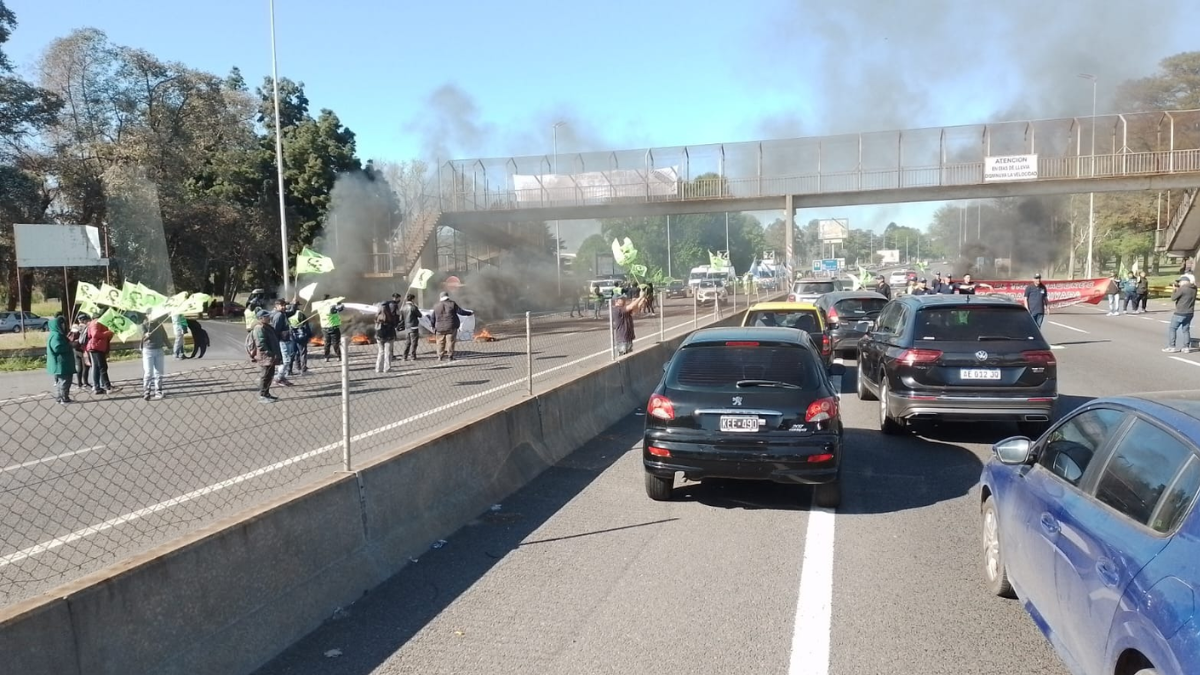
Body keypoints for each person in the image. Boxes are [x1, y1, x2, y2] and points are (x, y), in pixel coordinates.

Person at [251, 309, 283, 402]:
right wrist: (270, 352)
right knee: (265, 375)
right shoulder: (259, 328)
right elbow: (261, 343)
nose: (269, 318)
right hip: (265, 356)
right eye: (267, 316)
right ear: (261, 318)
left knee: (270, 375)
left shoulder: (267, 326)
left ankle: (267, 394)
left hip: (270, 355)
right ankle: (263, 395)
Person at [432, 292, 473, 361]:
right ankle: (450, 356)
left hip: (439, 328)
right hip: (451, 326)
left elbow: (432, 317)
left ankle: (440, 356)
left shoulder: (436, 306)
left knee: (440, 342)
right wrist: (469, 313)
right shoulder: (452, 304)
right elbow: (460, 312)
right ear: (447, 296)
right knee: (450, 342)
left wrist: (433, 327)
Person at [46, 315, 76, 405]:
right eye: (61, 324)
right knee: (65, 381)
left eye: (63, 323)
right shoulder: (56, 335)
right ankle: (64, 398)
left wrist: (67, 340)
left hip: (61, 363)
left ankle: (60, 398)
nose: (63, 325)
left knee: (61, 382)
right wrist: (70, 345)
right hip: (61, 363)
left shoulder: (56, 334)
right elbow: (57, 348)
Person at [1165, 276, 1196, 353]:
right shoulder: (1194, 289)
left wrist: (1174, 290)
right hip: (1190, 312)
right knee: (1186, 330)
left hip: (1180, 312)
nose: (1179, 283)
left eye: (1180, 282)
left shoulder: (1182, 289)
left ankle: (1171, 346)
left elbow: (1173, 298)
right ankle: (1186, 347)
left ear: (1184, 282)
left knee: (1172, 328)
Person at [141, 315, 168, 400]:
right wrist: (146, 335)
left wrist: (169, 345)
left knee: (159, 372)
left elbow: (164, 335)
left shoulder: (159, 324)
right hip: (148, 350)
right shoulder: (144, 324)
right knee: (148, 372)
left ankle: (158, 391)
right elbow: (142, 338)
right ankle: (146, 391)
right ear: (147, 315)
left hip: (159, 350)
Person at [269, 299, 296, 386]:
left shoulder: (283, 313)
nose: (284, 307)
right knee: (286, 361)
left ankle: (282, 377)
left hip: (285, 339)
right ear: (277, 306)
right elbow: (276, 330)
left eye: (284, 305)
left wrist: (294, 304)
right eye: (282, 305)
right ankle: (278, 378)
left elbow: (291, 312)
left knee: (285, 360)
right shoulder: (279, 315)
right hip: (282, 341)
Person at [85, 315, 114, 394]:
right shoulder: (96, 322)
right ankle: (107, 386)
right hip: (96, 347)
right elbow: (95, 334)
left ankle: (98, 387)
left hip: (98, 346)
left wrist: (109, 333)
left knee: (98, 367)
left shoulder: (99, 323)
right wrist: (108, 333)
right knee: (102, 367)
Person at [287, 303, 312, 374]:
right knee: (303, 352)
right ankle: (303, 368)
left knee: (293, 353)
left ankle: (290, 369)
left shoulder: (286, 314)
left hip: (291, 335)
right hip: (301, 335)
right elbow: (306, 326)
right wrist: (309, 335)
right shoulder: (300, 313)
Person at [374, 298, 398, 373]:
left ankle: (378, 368)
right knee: (388, 352)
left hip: (379, 336)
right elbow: (395, 323)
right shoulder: (389, 316)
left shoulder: (377, 316)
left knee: (380, 352)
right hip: (389, 336)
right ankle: (387, 368)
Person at [318, 295, 344, 362]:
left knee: (327, 343)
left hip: (324, 328)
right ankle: (339, 356)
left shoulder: (320, 308)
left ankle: (326, 357)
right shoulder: (330, 308)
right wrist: (340, 304)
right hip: (333, 328)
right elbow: (340, 308)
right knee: (335, 343)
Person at [68, 314, 89, 392]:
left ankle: (79, 383)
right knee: (86, 366)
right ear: (84, 320)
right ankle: (85, 383)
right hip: (83, 349)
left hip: (75, 348)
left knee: (79, 367)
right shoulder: (85, 327)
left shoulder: (74, 327)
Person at [400, 293, 422, 361]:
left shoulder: (403, 308)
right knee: (414, 342)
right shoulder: (413, 307)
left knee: (407, 342)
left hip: (407, 327)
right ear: (412, 299)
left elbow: (401, 319)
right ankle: (413, 356)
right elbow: (420, 315)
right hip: (414, 327)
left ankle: (404, 356)